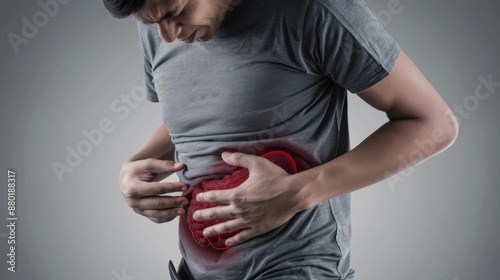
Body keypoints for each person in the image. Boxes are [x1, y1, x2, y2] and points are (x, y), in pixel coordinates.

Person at [104, 0, 459, 279]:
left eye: (176, 12)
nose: (167, 35)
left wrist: (298, 192)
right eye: (151, 22)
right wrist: (134, 166)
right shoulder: (159, 27)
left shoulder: (312, 10)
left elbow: (434, 124)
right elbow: (196, 112)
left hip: (297, 268)